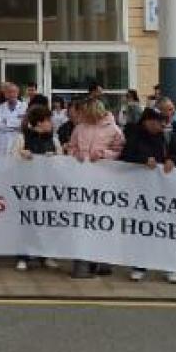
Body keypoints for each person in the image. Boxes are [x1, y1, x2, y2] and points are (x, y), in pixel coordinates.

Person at [120, 108, 176, 284]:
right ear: (146, 121)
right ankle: (140, 266)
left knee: (167, 228)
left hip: (165, 191)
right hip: (141, 193)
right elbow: (126, 156)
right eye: (156, 121)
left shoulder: (168, 136)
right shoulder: (134, 135)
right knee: (143, 229)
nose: (160, 125)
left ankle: (170, 267)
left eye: (161, 121)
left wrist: (172, 159)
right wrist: (144, 159)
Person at [64, 99, 124, 278]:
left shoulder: (113, 129)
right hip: (82, 178)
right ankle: (86, 261)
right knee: (84, 219)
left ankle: (104, 260)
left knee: (102, 220)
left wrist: (104, 154)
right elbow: (72, 146)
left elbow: (120, 150)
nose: (84, 115)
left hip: (104, 179)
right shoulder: (80, 128)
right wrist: (76, 154)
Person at [14, 105, 62, 272]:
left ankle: (46, 255)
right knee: (27, 221)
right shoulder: (22, 138)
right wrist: (21, 154)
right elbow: (10, 160)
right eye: (49, 120)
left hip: (48, 189)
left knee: (47, 221)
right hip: (27, 188)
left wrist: (55, 157)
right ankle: (23, 256)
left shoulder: (54, 140)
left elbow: (62, 162)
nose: (52, 123)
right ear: (40, 122)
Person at [0, 82, 28, 158]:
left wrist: (7, 122)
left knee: (17, 160)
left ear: (17, 93)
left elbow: (23, 125)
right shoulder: (1, 107)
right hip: (3, 139)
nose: (12, 94)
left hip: (17, 137)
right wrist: (15, 123)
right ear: (5, 94)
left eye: (14, 92)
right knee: (2, 161)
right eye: (9, 92)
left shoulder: (24, 106)